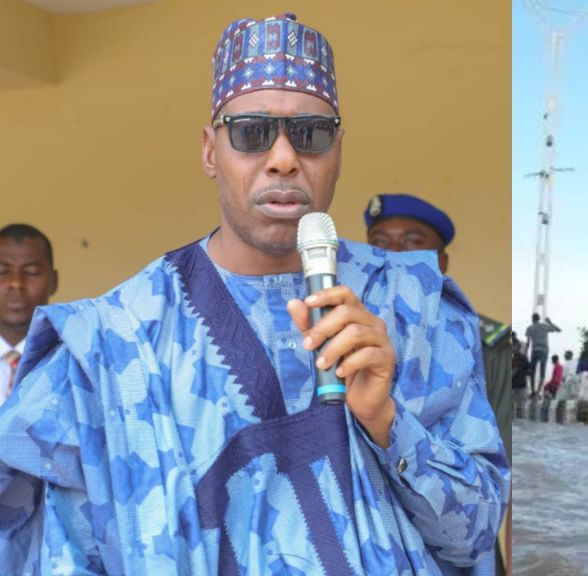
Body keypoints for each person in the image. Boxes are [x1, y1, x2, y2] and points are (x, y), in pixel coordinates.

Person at [0, 14, 508, 575]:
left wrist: (387, 421)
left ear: (338, 149)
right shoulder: (111, 342)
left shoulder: (418, 306)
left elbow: (477, 535)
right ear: (210, 150)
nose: (284, 157)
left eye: (311, 134)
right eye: (251, 132)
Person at [364, 192, 513, 573]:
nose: (395, 255)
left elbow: (504, 467)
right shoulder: (348, 334)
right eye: (380, 244)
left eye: (413, 243)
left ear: (441, 262)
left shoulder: (487, 343)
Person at [0, 224, 58, 406]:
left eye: (31, 272)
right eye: (2, 272)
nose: (16, 283)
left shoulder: (76, 360)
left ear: (54, 281)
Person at [525, 314, 560, 397]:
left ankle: (533, 391)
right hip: (544, 350)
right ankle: (538, 392)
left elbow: (528, 343)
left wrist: (525, 353)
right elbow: (558, 330)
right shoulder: (544, 326)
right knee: (542, 372)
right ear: (539, 319)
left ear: (532, 319)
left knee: (532, 371)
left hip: (534, 350)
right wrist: (550, 322)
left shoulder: (529, 328)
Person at [512, 334, 530, 420]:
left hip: (518, 386)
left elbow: (515, 370)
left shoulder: (520, 357)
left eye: (513, 346)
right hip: (519, 385)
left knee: (518, 407)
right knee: (518, 407)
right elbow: (528, 371)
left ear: (518, 347)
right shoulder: (521, 357)